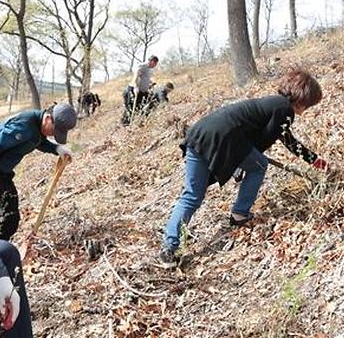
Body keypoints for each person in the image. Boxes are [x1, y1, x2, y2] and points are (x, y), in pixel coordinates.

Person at [158, 69, 329, 268]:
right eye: (309, 104)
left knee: (192, 195)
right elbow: (265, 142)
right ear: (304, 98)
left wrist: (315, 160)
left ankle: (169, 248)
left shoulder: (272, 103)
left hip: (199, 133)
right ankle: (240, 214)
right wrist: (239, 165)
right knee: (259, 166)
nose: (307, 109)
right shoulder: (284, 109)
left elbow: (283, 138)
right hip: (223, 139)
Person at [0, 103, 77, 240]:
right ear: (48, 118)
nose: (54, 134)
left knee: (10, 219)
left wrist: (56, 148)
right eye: (55, 130)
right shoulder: (23, 125)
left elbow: (36, 141)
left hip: (2, 175)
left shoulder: (37, 128)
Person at [121, 55, 159, 125]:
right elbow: (136, 76)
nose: (155, 65)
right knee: (131, 108)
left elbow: (145, 78)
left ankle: (141, 121)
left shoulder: (149, 69)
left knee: (145, 105)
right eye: (155, 63)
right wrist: (135, 87)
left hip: (143, 91)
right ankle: (126, 124)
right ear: (151, 61)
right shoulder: (142, 66)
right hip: (134, 90)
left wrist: (150, 83)